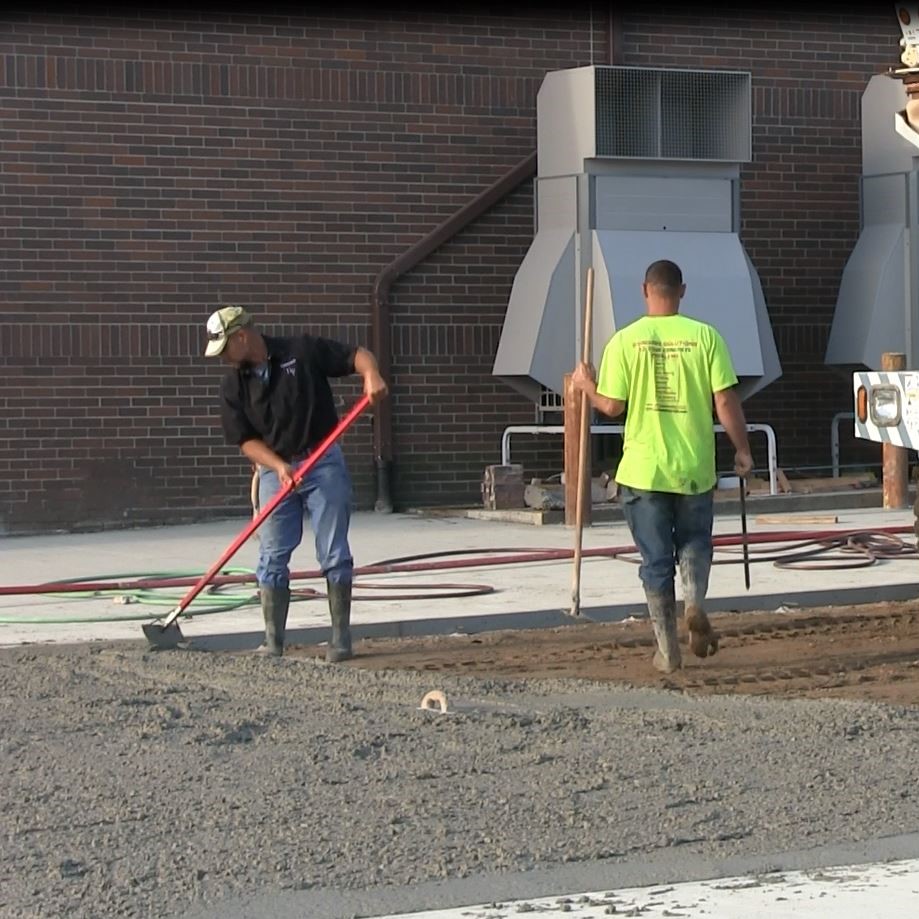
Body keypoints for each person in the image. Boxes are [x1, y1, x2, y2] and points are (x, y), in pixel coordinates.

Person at [572, 260, 754, 674]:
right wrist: (742, 449)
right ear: (682, 291)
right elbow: (724, 402)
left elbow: (613, 407)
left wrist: (586, 387)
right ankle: (693, 602)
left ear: (644, 290)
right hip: (693, 465)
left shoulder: (624, 341)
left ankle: (667, 649)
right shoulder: (705, 337)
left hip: (643, 470)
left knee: (655, 561)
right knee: (694, 543)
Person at [204, 305, 389, 661]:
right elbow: (245, 441)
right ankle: (272, 642)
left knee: (333, 549)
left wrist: (372, 375)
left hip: (322, 461)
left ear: (242, 336)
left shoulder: (300, 352)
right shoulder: (233, 386)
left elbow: (357, 357)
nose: (223, 358)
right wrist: (279, 467)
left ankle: (340, 639)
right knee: (271, 555)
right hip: (277, 470)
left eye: (225, 347)